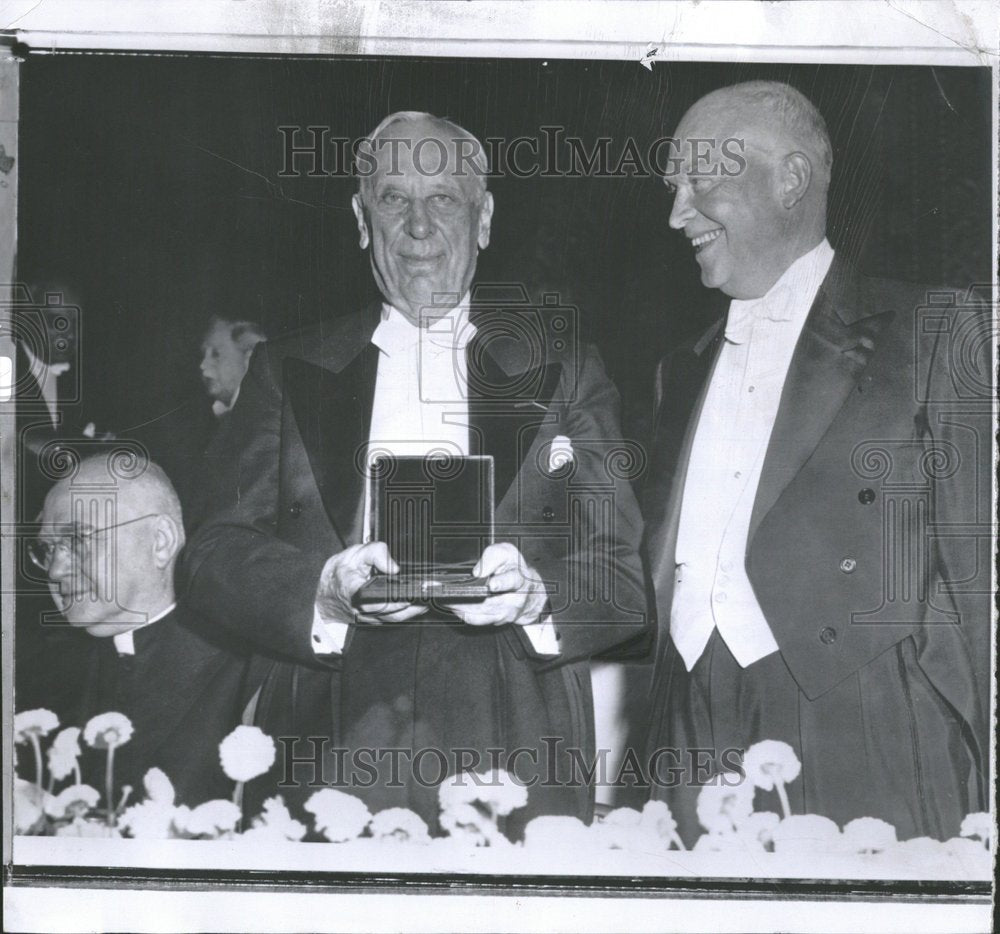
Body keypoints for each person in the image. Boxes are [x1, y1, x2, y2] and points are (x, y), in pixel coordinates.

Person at [181, 112, 648, 833]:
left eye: (445, 199)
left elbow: (622, 579)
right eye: (395, 199)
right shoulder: (288, 369)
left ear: (485, 217)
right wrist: (323, 595)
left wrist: (535, 597)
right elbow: (210, 555)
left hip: (516, 728)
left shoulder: (564, 368)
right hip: (328, 729)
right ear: (362, 219)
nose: (420, 225)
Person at [643, 81, 990, 844]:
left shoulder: (932, 329)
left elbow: (979, 577)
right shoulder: (680, 369)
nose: (676, 213)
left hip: (870, 721)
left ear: (790, 178)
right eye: (672, 188)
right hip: (687, 727)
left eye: (700, 179)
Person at [31, 454, 256, 806]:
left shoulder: (248, 672)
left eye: (77, 540)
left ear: (160, 542)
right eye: (47, 548)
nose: (56, 570)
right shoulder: (38, 676)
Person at [128, 315, 267, 532]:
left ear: (249, 356)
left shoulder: (263, 423)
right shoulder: (207, 425)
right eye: (204, 354)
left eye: (216, 354)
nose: (203, 365)